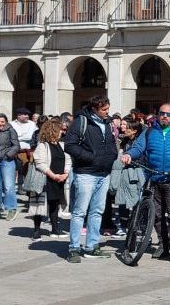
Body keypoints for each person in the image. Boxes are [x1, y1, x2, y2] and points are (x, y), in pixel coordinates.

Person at [121, 103, 170, 261]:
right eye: (162, 113)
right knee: (157, 216)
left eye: (169, 114)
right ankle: (163, 245)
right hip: (154, 178)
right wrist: (129, 155)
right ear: (158, 115)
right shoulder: (149, 132)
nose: (165, 116)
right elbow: (138, 148)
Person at [64, 94, 120, 263]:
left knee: (97, 211)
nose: (107, 112)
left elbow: (111, 144)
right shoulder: (81, 122)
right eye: (104, 109)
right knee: (80, 212)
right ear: (94, 109)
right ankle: (74, 248)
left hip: (104, 173)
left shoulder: (107, 123)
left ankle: (91, 246)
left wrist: (111, 156)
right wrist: (91, 158)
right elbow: (70, 145)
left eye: (108, 108)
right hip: (85, 173)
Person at [31, 117, 72, 239]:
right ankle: (36, 231)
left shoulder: (62, 145)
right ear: (52, 131)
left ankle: (55, 229)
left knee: (55, 204)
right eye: (60, 130)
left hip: (60, 179)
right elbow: (40, 164)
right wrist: (53, 175)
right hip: (46, 179)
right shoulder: (42, 146)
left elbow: (68, 160)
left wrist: (66, 173)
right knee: (39, 206)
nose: (62, 132)